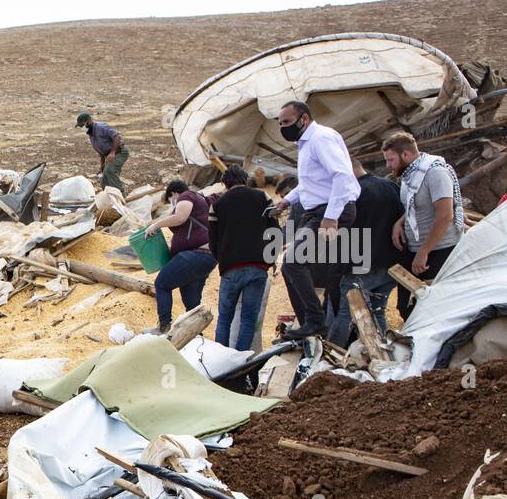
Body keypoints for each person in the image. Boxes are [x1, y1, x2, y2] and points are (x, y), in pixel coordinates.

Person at [273, 101, 360, 338]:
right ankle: (308, 323)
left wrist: (331, 217)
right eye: (281, 124)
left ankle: (315, 323)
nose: (284, 128)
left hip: (329, 212)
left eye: (287, 122)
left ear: (304, 118)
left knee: (293, 262)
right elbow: (311, 183)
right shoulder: (306, 144)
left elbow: (342, 176)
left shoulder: (321, 138)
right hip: (316, 213)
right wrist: (286, 201)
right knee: (290, 266)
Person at [382, 131, 466, 319]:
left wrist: (425, 251)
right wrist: (400, 222)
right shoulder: (409, 175)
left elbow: (445, 215)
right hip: (414, 247)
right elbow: (416, 204)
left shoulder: (435, 173)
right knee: (405, 307)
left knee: (433, 309)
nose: (388, 166)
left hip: (440, 250)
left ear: (405, 154)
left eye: (391, 160)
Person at [326, 158, 404, 346]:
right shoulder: (390, 186)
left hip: (361, 265)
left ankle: (331, 356)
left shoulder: (353, 193)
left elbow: (345, 230)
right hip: (391, 264)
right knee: (378, 311)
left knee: (345, 312)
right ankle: (385, 352)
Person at [208, 165, 274, 351]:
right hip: (258, 267)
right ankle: (241, 359)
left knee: (225, 318)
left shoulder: (218, 204)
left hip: (231, 268)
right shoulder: (262, 197)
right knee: (248, 319)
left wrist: (222, 259)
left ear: (224, 183)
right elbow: (274, 230)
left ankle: (220, 358)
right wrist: (271, 259)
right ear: (246, 180)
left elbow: (212, 238)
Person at [145, 179, 215, 334]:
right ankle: (196, 335)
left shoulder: (186, 196)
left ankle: (164, 326)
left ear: (174, 193)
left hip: (194, 256)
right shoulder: (202, 203)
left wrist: (156, 225)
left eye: (171, 200)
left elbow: (181, 217)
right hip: (205, 258)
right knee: (191, 301)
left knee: (162, 284)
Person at [76, 112, 128, 192]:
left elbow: (116, 136)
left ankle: (122, 195)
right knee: (104, 180)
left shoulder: (101, 127)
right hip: (109, 155)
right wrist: (102, 164)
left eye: (82, 125)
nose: (82, 128)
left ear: (89, 121)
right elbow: (102, 152)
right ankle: (110, 197)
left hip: (119, 152)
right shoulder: (91, 135)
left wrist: (112, 152)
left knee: (110, 171)